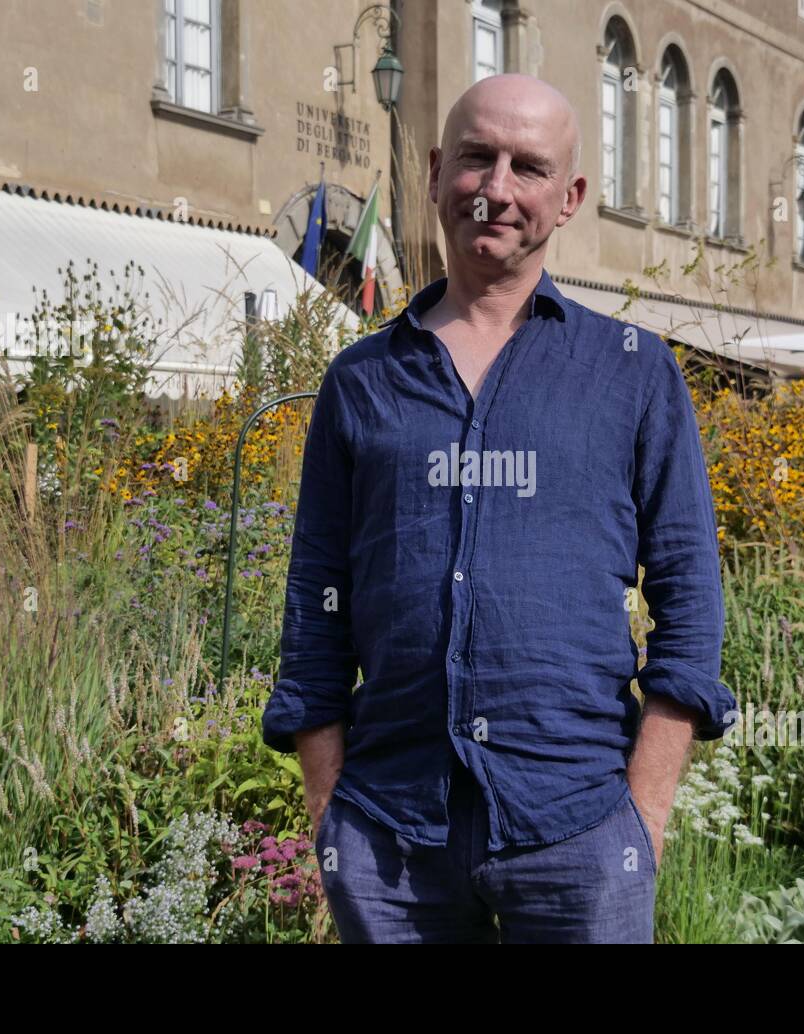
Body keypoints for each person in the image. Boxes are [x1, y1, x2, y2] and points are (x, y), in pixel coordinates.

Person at [260, 73, 736, 943]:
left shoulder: (632, 371)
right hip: (390, 833)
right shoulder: (360, 382)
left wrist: (645, 813)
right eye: (478, 159)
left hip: (582, 827)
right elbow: (313, 600)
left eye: (529, 168)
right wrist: (329, 806)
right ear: (439, 171)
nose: (498, 189)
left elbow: (691, 598)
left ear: (569, 199)